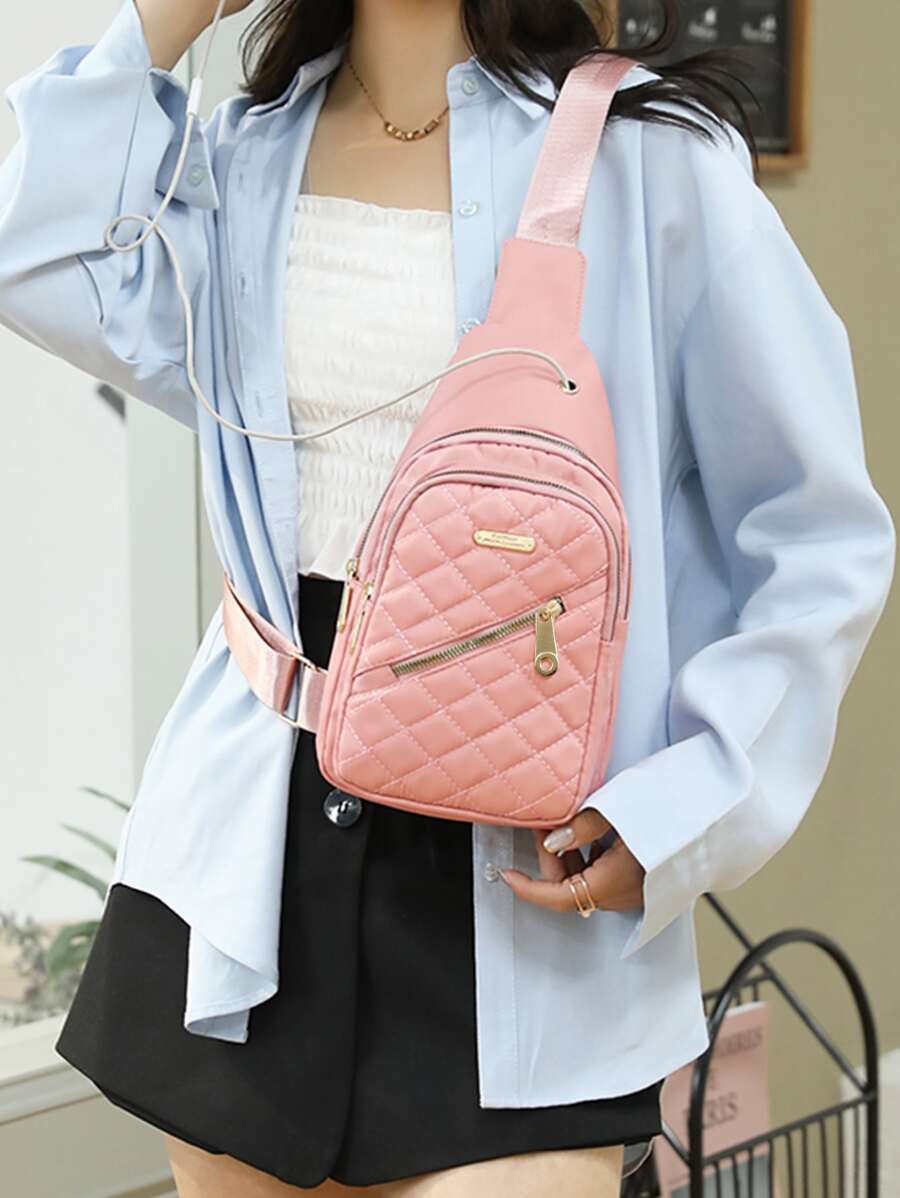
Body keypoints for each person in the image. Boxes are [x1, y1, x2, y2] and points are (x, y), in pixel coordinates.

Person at [0, 0, 894, 1195]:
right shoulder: (241, 152)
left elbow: (815, 531)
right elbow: (34, 255)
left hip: (520, 870)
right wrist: (173, 13)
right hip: (245, 864)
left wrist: (689, 800)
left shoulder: (651, 157)